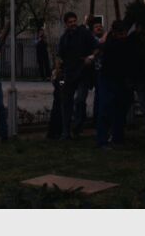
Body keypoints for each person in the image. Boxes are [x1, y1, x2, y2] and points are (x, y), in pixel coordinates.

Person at [57, 11, 97, 140]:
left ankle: (78, 126)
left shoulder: (84, 33)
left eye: (74, 21)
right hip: (69, 73)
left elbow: (97, 47)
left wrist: (91, 57)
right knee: (66, 103)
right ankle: (65, 132)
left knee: (80, 100)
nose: (73, 24)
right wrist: (58, 69)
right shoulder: (64, 38)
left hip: (83, 73)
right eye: (70, 22)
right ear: (66, 24)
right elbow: (60, 55)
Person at [96, 20, 133, 148]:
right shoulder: (112, 45)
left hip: (117, 79)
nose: (124, 36)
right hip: (109, 78)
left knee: (119, 110)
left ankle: (116, 138)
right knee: (106, 109)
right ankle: (104, 140)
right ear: (116, 33)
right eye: (122, 34)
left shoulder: (114, 42)